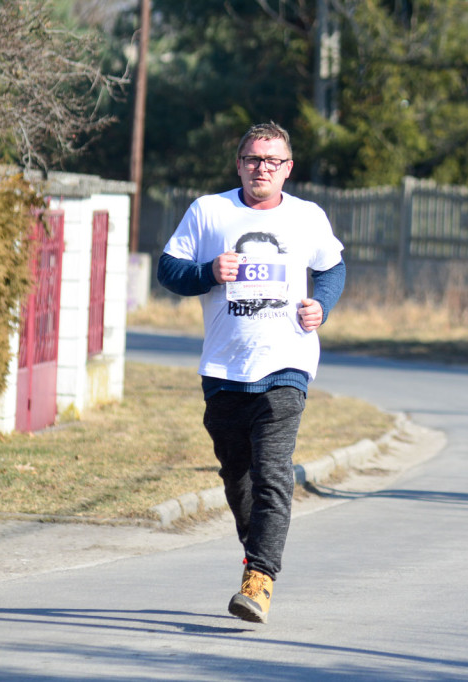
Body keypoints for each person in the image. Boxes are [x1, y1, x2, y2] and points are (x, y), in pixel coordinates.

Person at [157, 122, 346, 623]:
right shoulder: (209, 211)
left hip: (287, 363)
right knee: (237, 476)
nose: (262, 168)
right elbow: (167, 269)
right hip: (223, 367)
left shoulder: (307, 217)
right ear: (239, 164)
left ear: (288, 168)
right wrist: (206, 273)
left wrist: (320, 307)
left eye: (273, 161)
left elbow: (332, 268)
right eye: (253, 159)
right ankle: (256, 552)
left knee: (273, 473)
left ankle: (259, 580)